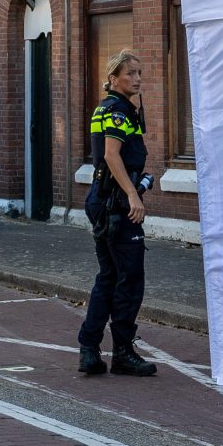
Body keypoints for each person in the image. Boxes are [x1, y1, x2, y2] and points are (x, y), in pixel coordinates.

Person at [79, 49, 158, 378]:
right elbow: (112, 156)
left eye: (139, 73)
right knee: (129, 278)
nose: (137, 79)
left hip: (104, 198)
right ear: (113, 79)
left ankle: (89, 349)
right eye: (131, 73)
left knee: (109, 277)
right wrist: (131, 195)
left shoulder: (117, 108)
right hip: (115, 201)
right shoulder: (115, 110)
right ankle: (123, 353)